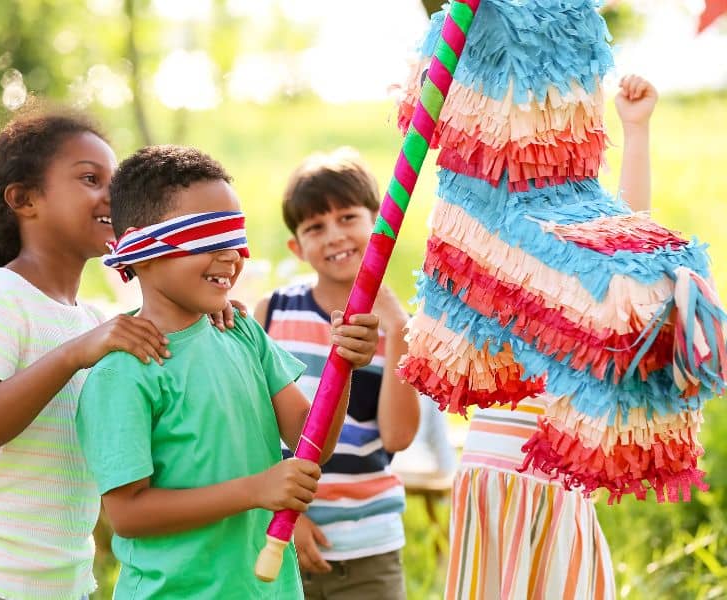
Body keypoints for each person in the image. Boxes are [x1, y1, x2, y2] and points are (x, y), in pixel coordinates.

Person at [74, 144, 381, 600]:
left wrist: (344, 365)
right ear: (141, 250)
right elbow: (128, 515)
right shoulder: (124, 370)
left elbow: (309, 441)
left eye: (234, 238)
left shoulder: (243, 335)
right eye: (207, 239)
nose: (232, 257)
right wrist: (255, 490)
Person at [0, 105, 174, 599]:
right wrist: (73, 354)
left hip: (64, 586)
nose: (112, 196)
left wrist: (211, 310)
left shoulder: (91, 321)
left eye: (116, 181)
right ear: (24, 199)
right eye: (90, 178)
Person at [443, 75, 658, 600]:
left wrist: (635, 132)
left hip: (549, 478)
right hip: (488, 474)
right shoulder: (489, 252)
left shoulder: (577, 277)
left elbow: (629, 245)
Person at [256, 147, 421, 599]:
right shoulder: (273, 312)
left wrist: (399, 332)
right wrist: (288, 516)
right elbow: (257, 426)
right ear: (296, 246)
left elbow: (397, 436)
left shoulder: (400, 324)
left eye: (348, 218)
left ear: (377, 222)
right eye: (315, 227)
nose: (333, 236)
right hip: (282, 535)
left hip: (369, 544)